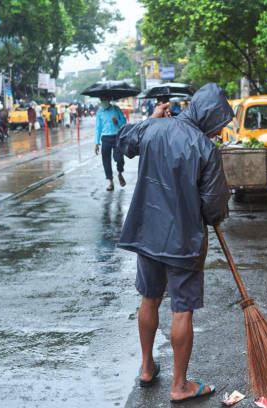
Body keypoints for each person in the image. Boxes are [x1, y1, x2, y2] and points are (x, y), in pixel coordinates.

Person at [118, 83, 232, 403]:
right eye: (219, 123)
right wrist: (216, 214)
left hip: (148, 232)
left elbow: (124, 141)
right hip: (184, 239)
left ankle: (146, 367)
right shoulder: (206, 149)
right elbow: (213, 206)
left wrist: (150, 118)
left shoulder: (153, 128)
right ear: (210, 116)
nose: (220, 130)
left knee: (149, 297)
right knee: (182, 310)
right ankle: (179, 385)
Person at [94, 97, 127, 190]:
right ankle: (111, 182)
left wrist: (117, 121)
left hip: (116, 137)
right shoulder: (100, 113)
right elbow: (98, 128)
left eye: (104, 100)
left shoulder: (116, 109)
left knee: (119, 158)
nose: (103, 102)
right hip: (105, 138)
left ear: (108, 100)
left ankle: (120, 173)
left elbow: (124, 121)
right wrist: (96, 143)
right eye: (101, 100)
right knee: (106, 161)